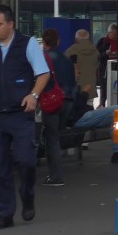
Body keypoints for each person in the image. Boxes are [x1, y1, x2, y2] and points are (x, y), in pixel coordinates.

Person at [0, 5, 50, 230]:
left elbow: (43, 73)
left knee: (26, 161)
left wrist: (33, 95)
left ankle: (27, 196)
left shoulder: (27, 44)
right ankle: (5, 213)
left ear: (10, 24)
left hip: (20, 114)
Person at [39, 29, 76, 188]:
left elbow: (42, 79)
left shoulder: (44, 58)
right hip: (67, 100)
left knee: (51, 138)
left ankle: (55, 176)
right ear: (58, 41)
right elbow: (73, 80)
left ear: (44, 42)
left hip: (52, 100)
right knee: (55, 136)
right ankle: (55, 173)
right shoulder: (66, 59)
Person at [64, 28, 99, 112]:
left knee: (78, 111)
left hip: (77, 87)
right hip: (91, 85)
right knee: (90, 107)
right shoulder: (96, 51)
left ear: (76, 39)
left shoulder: (70, 51)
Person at [96, 23, 118, 107]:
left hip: (117, 69)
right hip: (105, 70)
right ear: (109, 33)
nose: (116, 36)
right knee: (104, 89)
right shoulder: (102, 42)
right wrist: (105, 53)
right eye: (114, 34)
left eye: (117, 34)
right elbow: (97, 55)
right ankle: (102, 106)